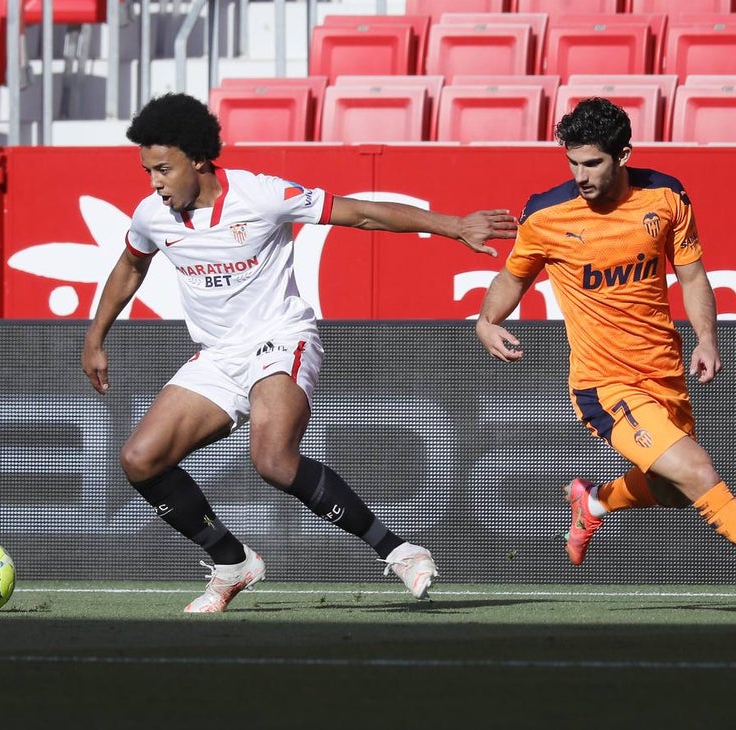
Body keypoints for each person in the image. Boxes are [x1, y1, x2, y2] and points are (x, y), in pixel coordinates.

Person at [82, 92, 517, 613]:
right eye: (148, 171)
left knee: (271, 458)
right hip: (218, 355)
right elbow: (130, 267)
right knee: (139, 459)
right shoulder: (153, 215)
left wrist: (454, 226)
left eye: (162, 169)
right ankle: (230, 560)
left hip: (281, 337)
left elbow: (360, 214)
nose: (154, 182)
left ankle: (398, 552)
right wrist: (95, 336)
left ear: (197, 159)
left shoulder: (260, 195)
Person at [474, 97, 736, 604]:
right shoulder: (546, 215)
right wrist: (485, 321)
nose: (581, 175)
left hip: (665, 374)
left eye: (593, 163)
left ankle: (594, 502)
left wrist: (707, 337)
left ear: (624, 155)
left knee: (675, 492)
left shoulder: (666, 197)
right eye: (573, 163)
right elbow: (512, 276)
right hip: (604, 384)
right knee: (699, 474)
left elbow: (692, 274)